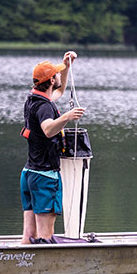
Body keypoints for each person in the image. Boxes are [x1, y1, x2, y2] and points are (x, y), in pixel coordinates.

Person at [20, 52, 86, 244]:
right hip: (45, 176)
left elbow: (60, 91)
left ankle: (20, 267)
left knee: (29, 235)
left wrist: (66, 66)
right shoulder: (45, 108)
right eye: (56, 74)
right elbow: (48, 130)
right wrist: (67, 116)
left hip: (29, 174)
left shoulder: (34, 100)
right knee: (45, 237)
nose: (59, 76)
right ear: (50, 80)